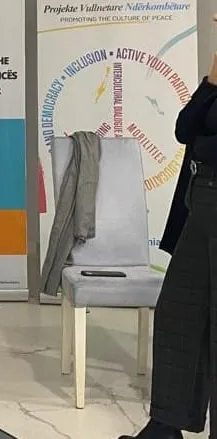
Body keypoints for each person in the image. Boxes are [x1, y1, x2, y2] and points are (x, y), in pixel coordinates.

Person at [118, 40, 217, 439]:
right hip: (202, 204)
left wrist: (205, 143)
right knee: (178, 313)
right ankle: (165, 425)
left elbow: (203, 142)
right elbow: (184, 130)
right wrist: (211, 82)